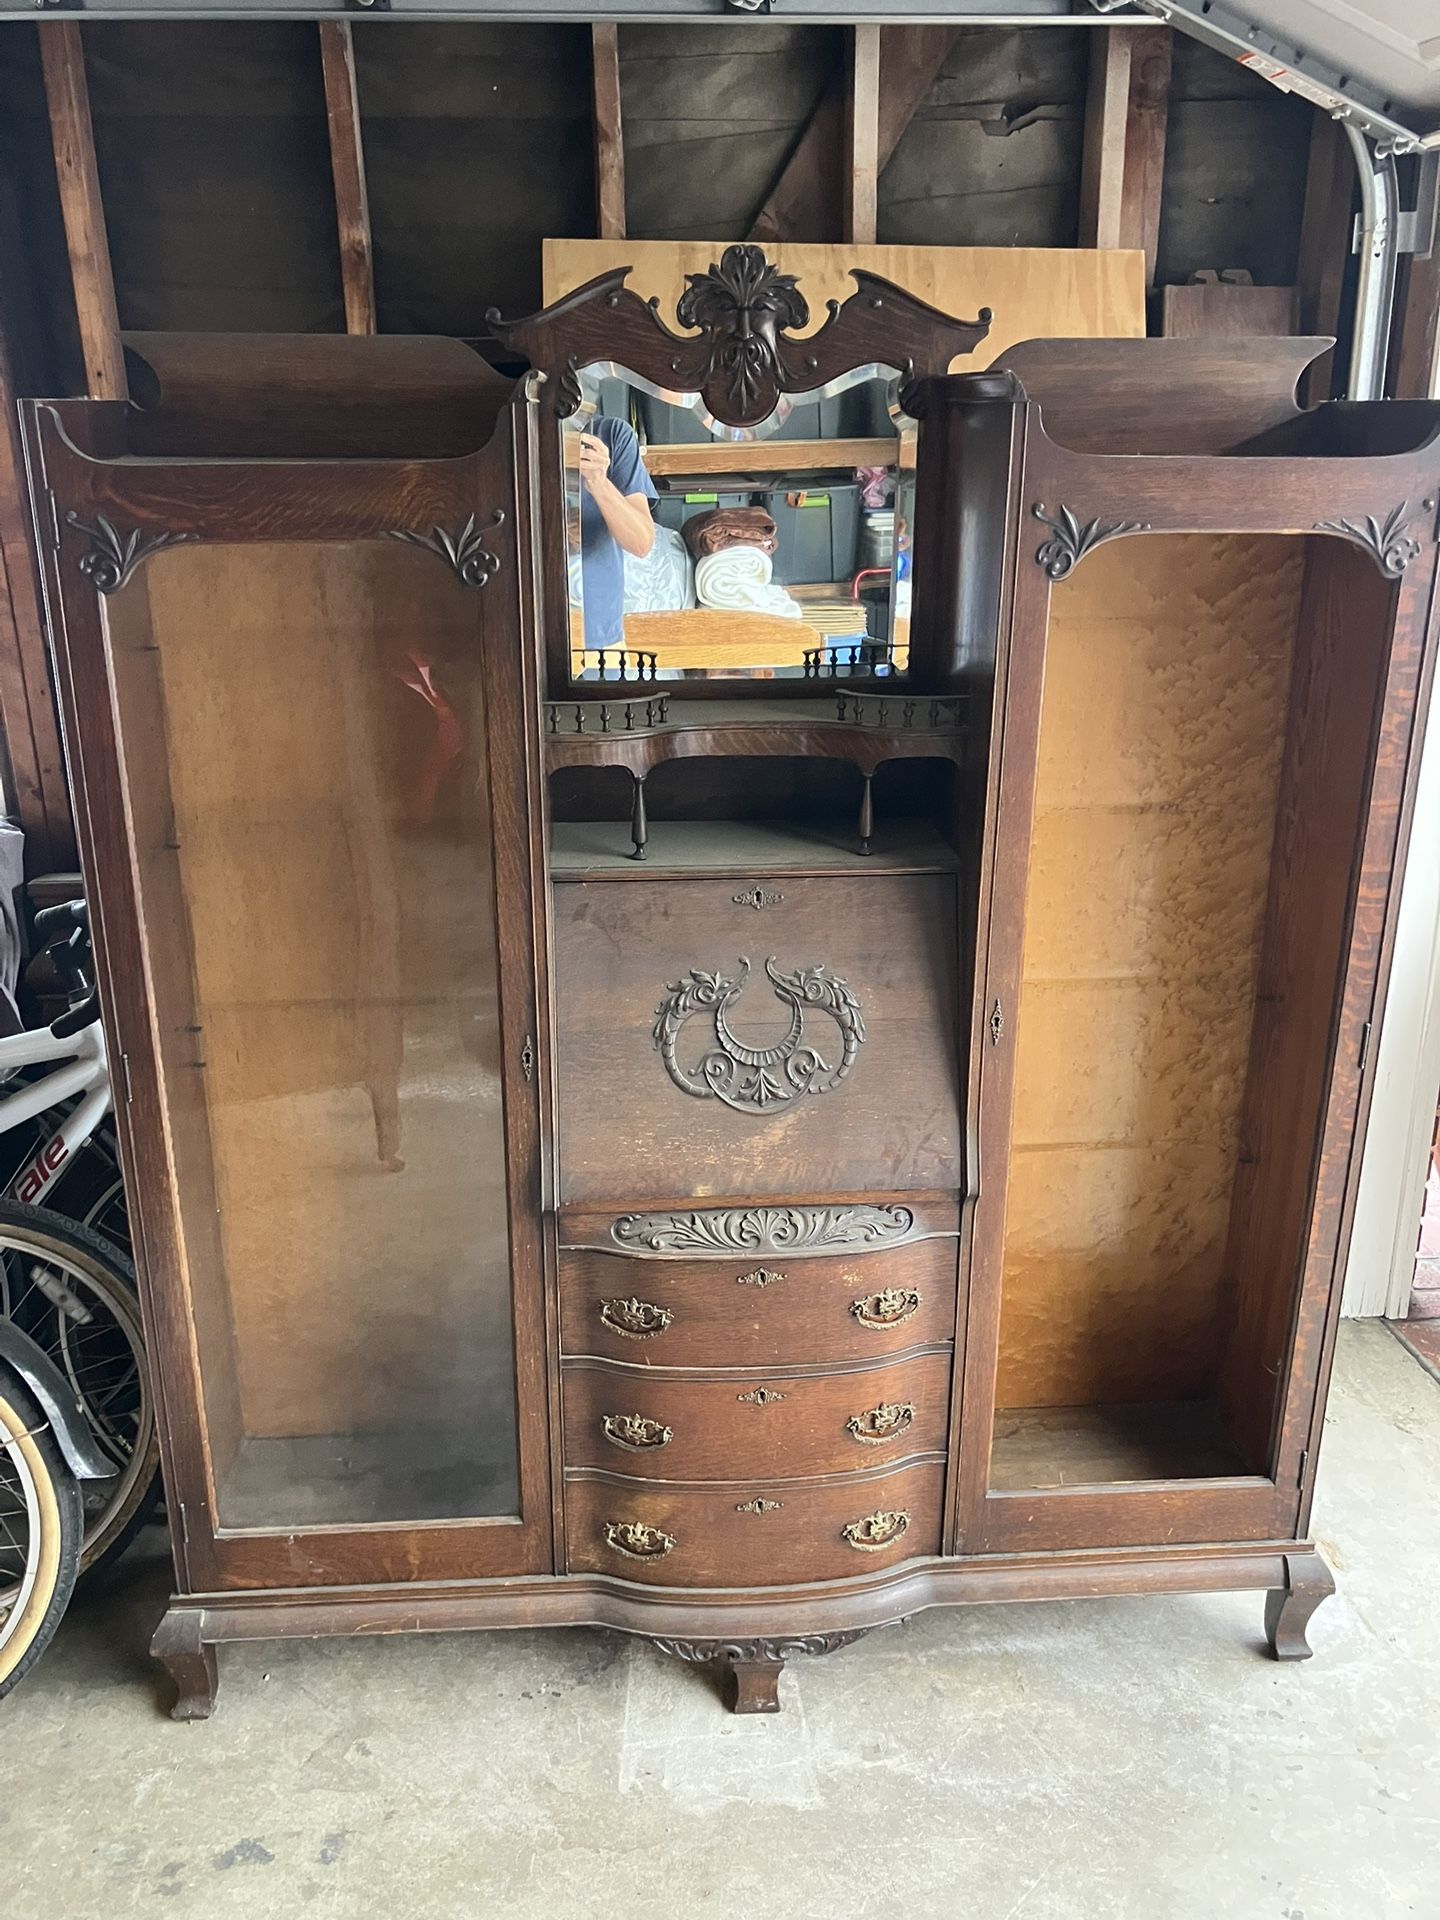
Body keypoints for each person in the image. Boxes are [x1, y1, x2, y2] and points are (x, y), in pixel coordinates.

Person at [577, 417, 656, 653]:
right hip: (518, 630)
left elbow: (641, 543)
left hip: (598, 641)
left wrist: (599, 482)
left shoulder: (610, 435)